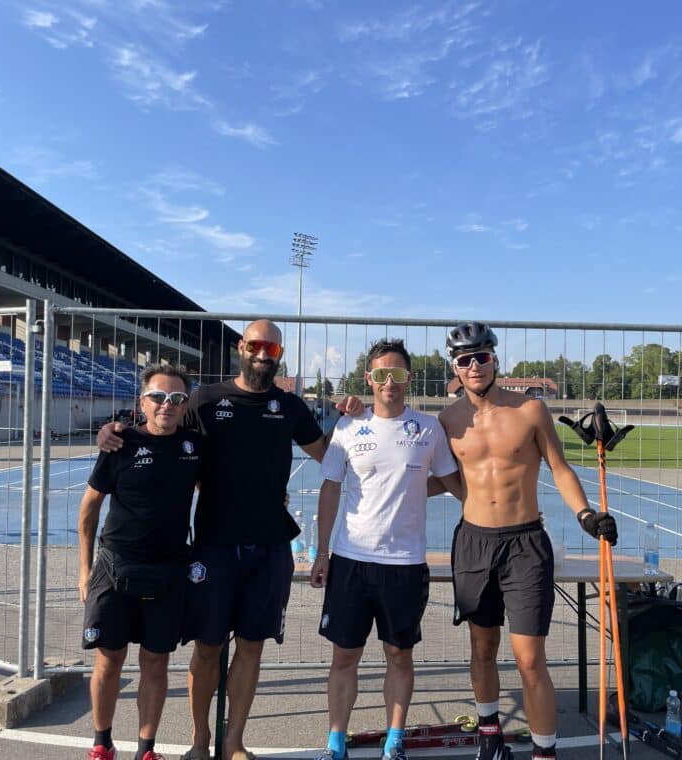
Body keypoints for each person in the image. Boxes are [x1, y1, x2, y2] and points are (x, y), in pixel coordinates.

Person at [96, 319, 360, 760]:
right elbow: (166, 435)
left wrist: (355, 418)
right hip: (214, 545)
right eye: (256, 345)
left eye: (272, 349)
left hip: (270, 546)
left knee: (251, 647)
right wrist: (117, 429)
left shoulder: (289, 406)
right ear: (242, 347)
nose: (262, 354)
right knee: (207, 647)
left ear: (279, 355)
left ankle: (233, 741)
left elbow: (326, 453)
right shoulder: (205, 399)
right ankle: (200, 740)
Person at [437, 322, 618, 760]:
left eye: (482, 356)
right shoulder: (447, 421)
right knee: (482, 647)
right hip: (474, 543)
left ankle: (543, 752)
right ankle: (489, 736)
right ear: (455, 369)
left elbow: (558, 468)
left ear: (495, 359)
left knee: (529, 658)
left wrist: (586, 514)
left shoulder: (530, 410)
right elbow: (436, 478)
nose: (475, 365)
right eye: (465, 359)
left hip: (525, 544)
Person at [310, 339, 462, 760]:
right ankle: (335, 743)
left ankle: (394, 742)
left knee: (399, 655)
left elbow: (450, 482)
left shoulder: (428, 429)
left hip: (404, 565)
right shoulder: (347, 426)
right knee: (345, 656)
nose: (389, 382)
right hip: (351, 560)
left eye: (397, 374)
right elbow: (331, 487)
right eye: (381, 374)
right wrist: (322, 552)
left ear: (408, 378)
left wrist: (499, 505)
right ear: (368, 379)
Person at [79, 365, 204, 760]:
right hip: (116, 566)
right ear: (142, 402)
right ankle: (102, 743)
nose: (166, 405)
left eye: (176, 399)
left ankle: (145, 750)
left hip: (169, 571)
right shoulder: (120, 444)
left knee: (155, 663)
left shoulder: (194, 448)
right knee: (109, 659)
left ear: (185, 406)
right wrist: (84, 571)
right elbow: (89, 510)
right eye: (158, 397)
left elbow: (220, 489)